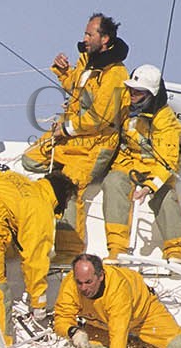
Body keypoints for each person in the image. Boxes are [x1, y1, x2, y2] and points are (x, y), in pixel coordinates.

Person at [23, 13, 130, 251]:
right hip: (71, 136)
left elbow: (102, 117)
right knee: (29, 159)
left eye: (89, 34)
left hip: (96, 145)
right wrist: (63, 72)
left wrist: (67, 129)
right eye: (85, 33)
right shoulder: (86, 58)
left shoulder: (116, 74)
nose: (84, 38)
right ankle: (57, 174)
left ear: (105, 39)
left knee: (70, 187)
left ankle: (69, 250)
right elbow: (76, 87)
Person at [0, 167, 76, 344]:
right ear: (61, 196)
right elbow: (35, 261)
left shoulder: (13, 178)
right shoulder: (41, 208)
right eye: (67, 202)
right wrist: (38, 304)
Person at [53, 254, 181, 348]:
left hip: (144, 316)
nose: (83, 288)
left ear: (100, 276)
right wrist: (73, 331)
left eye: (88, 282)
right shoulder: (71, 284)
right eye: (79, 282)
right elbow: (62, 317)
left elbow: (119, 329)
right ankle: (137, 344)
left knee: (180, 346)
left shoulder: (117, 289)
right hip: (100, 324)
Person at [100, 63, 181, 264]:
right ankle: (117, 248)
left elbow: (168, 162)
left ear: (151, 94)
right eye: (131, 90)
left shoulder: (165, 120)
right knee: (113, 182)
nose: (133, 95)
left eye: (139, 92)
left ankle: (176, 249)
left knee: (164, 195)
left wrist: (149, 187)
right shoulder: (127, 111)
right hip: (132, 162)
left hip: (159, 166)